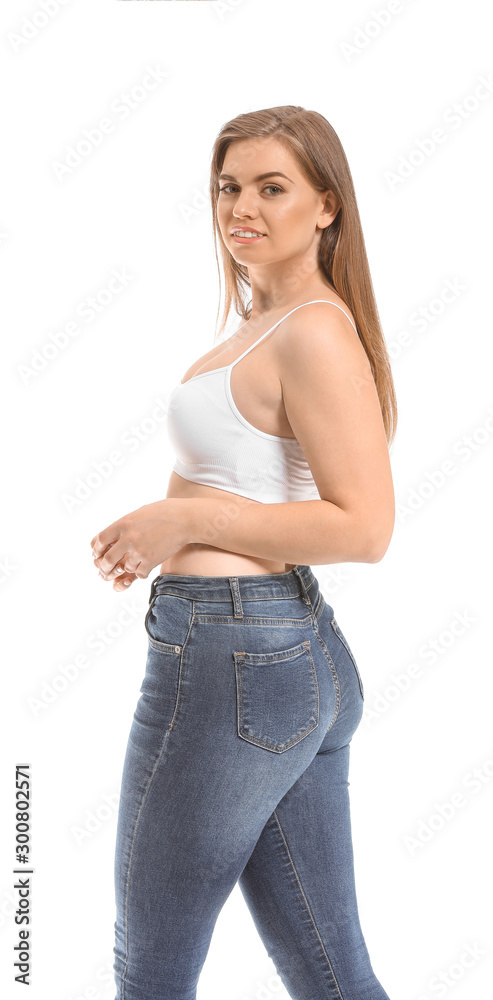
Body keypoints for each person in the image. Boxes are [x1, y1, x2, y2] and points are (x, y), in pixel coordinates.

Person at [90, 105, 396, 1000]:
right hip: (269, 659)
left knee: (150, 970)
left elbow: (363, 528)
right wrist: (167, 525)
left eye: (272, 187)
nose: (241, 207)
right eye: (228, 186)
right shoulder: (263, 323)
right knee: (330, 975)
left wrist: (182, 523)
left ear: (326, 206)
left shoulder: (312, 329)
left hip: (236, 662)